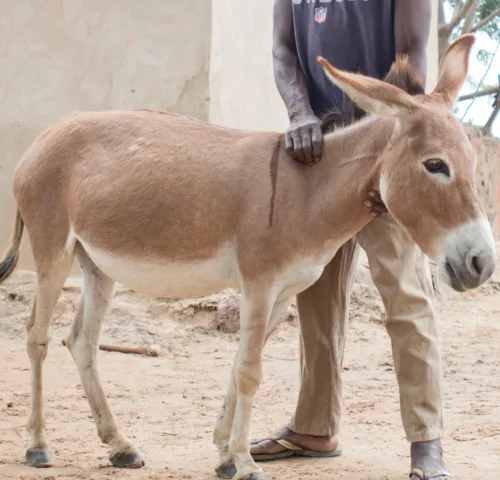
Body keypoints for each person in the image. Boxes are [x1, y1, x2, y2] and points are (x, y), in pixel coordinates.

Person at [249, 1, 451, 479]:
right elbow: (283, 50)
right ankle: (315, 427)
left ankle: (427, 443)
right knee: (315, 294)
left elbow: (412, 53)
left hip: (385, 150)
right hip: (319, 156)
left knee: (406, 296)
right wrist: (299, 113)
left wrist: (389, 152)